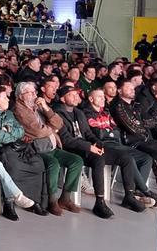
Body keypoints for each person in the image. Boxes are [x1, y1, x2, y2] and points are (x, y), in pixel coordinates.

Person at [53, 85, 146, 218]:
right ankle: (100, 202)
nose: (75, 97)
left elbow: (88, 133)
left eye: (76, 94)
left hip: (88, 147)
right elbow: (67, 140)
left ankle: (129, 196)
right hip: (73, 150)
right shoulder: (57, 113)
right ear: (62, 98)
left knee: (125, 157)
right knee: (98, 159)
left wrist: (98, 143)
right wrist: (89, 147)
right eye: (71, 95)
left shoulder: (78, 113)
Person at [12, 81, 82, 214]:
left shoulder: (38, 106)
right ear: (21, 95)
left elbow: (59, 123)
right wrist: (52, 129)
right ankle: (52, 200)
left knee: (76, 161)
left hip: (51, 146)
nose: (34, 95)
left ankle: (65, 198)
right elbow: (37, 132)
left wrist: (46, 108)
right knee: (53, 164)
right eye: (30, 93)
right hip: (36, 149)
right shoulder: (19, 109)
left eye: (35, 92)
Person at [109, 80, 157, 198]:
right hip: (132, 142)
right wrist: (142, 124)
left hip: (147, 139)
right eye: (128, 88)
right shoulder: (118, 106)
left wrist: (140, 123)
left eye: (133, 88)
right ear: (119, 91)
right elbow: (132, 128)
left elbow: (152, 123)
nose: (132, 90)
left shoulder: (136, 105)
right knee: (156, 154)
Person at [0, 86, 47, 215]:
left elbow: (21, 130)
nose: (8, 99)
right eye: (4, 97)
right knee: (12, 164)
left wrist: (8, 131)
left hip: (14, 146)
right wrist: (10, 135)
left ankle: (34, 200)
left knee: (37, 163)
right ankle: (9, 203)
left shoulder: (9, 113)